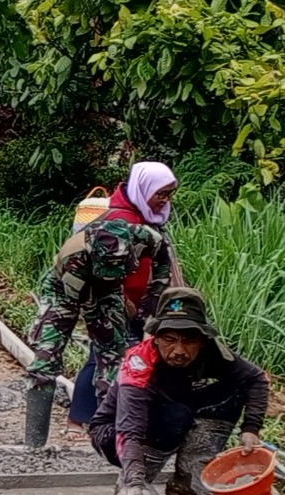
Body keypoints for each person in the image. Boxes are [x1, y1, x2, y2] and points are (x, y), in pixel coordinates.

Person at [91, 288, 270, 495]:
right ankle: (139, 483)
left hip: (176, 409)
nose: (179, 350)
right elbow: (129, 431)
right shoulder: (139, 367)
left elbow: (256, 379)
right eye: (169, 340)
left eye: (189, 341)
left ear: (202, 341)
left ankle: (190, 479)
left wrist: (251, 429)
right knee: (174, 416)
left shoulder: (215, 354)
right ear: (156, 338)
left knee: (231, 391)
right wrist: (134, 480)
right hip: (115, 432)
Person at [21, 182, 172, 449]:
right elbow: (82, 304)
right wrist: (106, 318)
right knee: (47, 357)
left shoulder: (142, 235)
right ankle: (34, 445)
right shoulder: (75, 255)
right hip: (64, 291)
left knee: (113, 358)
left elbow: (162, 257)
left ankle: (107, 438)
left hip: (108, 291)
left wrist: (154, 296)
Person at [66, 162, 183, 439]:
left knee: (122, 357)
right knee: (104, 356)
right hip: (110, 301)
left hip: (141, 302)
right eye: (160, 194)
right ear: (144, 189)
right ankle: (84, 421)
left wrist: (164, 303)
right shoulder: (118, 220)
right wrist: (120, 300)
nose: (165, 200)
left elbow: (162, 266)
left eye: (169, 194)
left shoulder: (149, 218)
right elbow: (103, 270)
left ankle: (100, 421)